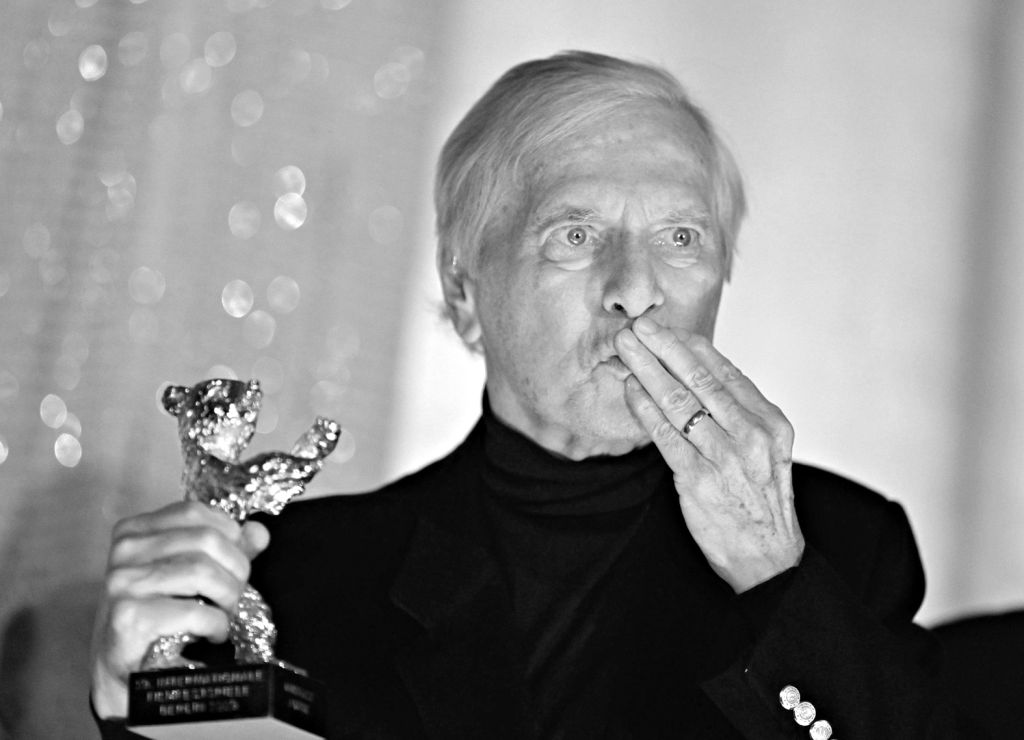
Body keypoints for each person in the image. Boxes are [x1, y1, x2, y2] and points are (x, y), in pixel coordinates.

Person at [90, 51, 957, 738]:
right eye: (574, 235)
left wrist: (775, 582)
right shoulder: (300, 577)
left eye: (681, 237)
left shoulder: (842, 553)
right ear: (465, 294)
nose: (635, 290)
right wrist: (131, 697)